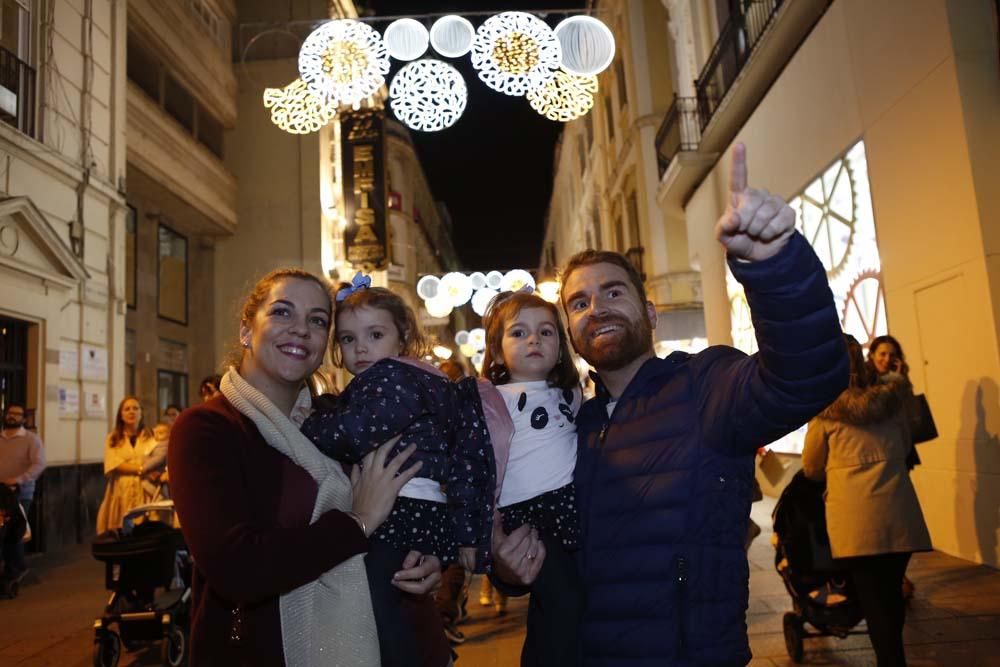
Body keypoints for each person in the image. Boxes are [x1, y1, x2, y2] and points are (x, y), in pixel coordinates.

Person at [491, 143, 850, 666]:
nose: (597, 309)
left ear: (651, 313)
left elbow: (806, 376)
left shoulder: (704, 385)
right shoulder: (573, 422)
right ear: (570, 330)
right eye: (579, 303)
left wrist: (774, 266)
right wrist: (507, 566)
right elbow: (543, 543)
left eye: (614, 293)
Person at [168, 268, 446, 666]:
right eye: (282, 313)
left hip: (395, 637)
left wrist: (428, 555)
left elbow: (413, 494)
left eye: (317, 320)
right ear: (247, 330)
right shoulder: (208, 429)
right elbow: (237, 567)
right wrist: (358, 521)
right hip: (264, 649)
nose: (300, 329)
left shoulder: (344, 421)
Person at [300, 275, 498, 666]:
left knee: (377, 599)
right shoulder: (406, 378)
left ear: (402, 335)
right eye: (348, 339)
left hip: (403, 508)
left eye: (375, 335)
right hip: (417, 509)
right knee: (386, 598)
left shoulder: (393, 377)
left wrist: (310, 423)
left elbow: (356, 432)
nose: (361, 349)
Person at [803, 335, 931, 666]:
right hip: (899, 516)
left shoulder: (826, 412)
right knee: (890, 595)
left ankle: (892, 659)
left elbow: (812, 467)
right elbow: (904, 448)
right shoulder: (891, 402)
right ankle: (893, 655)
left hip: (857, 523)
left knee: (875, 601)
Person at [481, 289, 584, 666]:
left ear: (560, 346)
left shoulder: (572, 394)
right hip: (527, 517)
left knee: (579, 599)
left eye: (546, 331)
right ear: (495, 351)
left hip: (574, 506)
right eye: (518, 332)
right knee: (559, 603)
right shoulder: (488, 400)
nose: (533, 339)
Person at [96, 397, 156, 534]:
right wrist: (142, 469)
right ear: (121, 415)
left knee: (146, 532)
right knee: (122, 531)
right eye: (127, 409)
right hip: (121, 491)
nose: (132, 412)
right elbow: (115, 463)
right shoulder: (113, 438)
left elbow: (157, 459)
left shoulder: (150, 436)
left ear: (141, 413)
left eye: (136, 408)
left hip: (145, 491)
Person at [1, 403, 45, 584]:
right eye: (10, 413)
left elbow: (39, 464)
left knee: (15, 531)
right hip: (0, 494)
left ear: (23, 419)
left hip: (21, 493)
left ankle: (17, 569)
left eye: (17, 414)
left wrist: (19, 479)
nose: (13, 416)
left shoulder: (31, 439)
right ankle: (10, 568)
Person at [140, 423, 170, 502]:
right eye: (156, 433)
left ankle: (160, 497)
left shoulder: (164, 445)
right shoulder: (156, 443)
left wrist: (145, 467)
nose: (157, 435)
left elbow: (158, 459)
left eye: (161, 433)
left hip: (159, 470)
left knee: (146, 484)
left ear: (168, 434)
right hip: (153, 471)